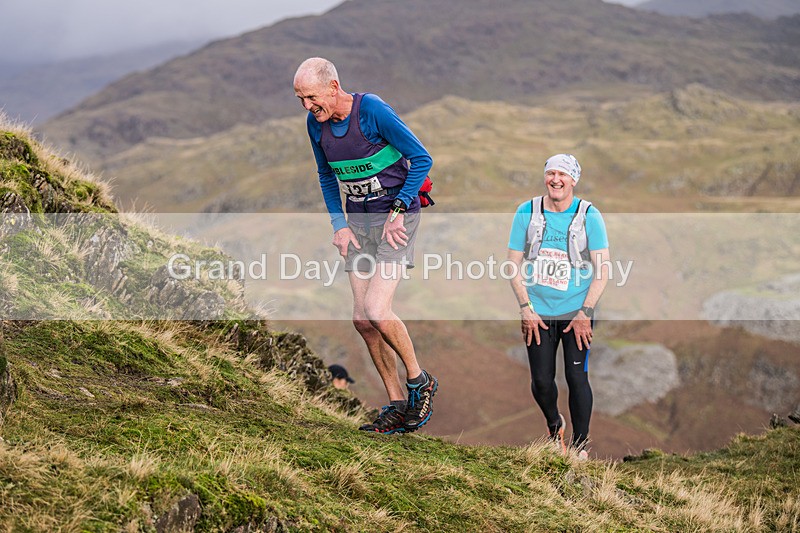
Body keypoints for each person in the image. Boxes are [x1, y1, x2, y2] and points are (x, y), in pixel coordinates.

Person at [294, 57, 438, 434]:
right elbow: (326, 175)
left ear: (333, 87)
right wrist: (339, 225)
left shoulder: (372, 110)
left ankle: (419, 382)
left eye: (311, 97)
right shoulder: (316, 125)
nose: (307, 107)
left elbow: (422, 159)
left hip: (396, 220)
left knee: (377, 308)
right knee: (362, 320)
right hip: (358, 223)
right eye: (300, 99)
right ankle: (394, 404)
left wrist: (397, 208)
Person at [506, 153, 609, 458]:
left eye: (563, 174)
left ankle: (580, 446)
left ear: (573, 180)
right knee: (540, 380)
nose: (556, 180)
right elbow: (513, 264)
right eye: (551, 173)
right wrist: (525, 308)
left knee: (576, 377)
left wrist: (585, 313)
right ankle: (555, 426)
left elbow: (602, 270)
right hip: (537, 310)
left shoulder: (589, 215)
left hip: (577, 311)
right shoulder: (527, 212)